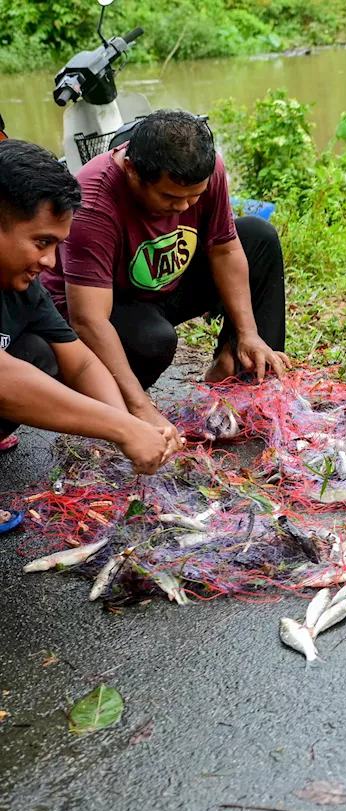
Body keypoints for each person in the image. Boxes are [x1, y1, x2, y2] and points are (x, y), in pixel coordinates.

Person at [41, 110, 290, 441]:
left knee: (259, 237)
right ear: (131, 170)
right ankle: (110, 404)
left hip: (165, 282)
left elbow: (224, 249)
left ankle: (238, 373)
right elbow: (89, 320)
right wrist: (141, 407)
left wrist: (247, 332)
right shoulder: (94, 198)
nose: (185, 207)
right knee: (154, 340)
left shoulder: (207, 169)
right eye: (170, 197)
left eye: (194, 196)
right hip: (104, 304)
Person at [0, 140, 177, 531]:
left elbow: (78, 360)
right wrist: (123, 428)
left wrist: (128, 424)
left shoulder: (26, 288)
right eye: (41, 242)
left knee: (39, 353)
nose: (49, 262)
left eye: (57, 246)